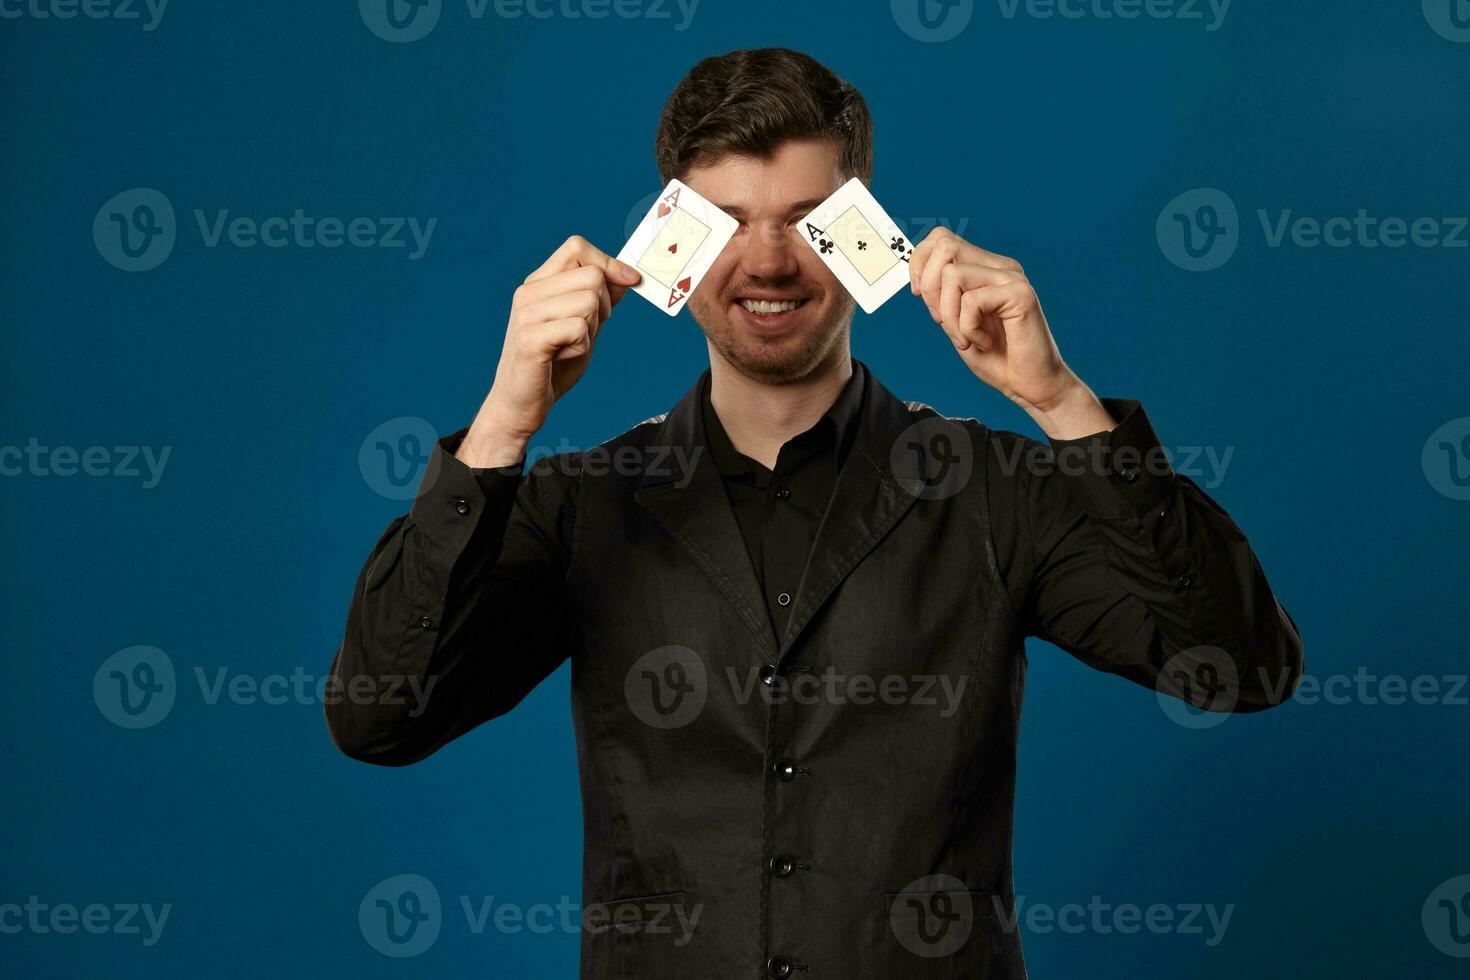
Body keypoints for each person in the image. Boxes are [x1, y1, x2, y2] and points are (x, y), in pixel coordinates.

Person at [327, 47, 1302, 979]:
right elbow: (380, 713)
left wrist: (1062, 404)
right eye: (725, 220)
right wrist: (503, 423)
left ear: (862, 228)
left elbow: (1241, 663)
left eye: (804, 219)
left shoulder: (994, 491)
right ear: (672, 233)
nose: (768, 262)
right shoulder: (579, 505)